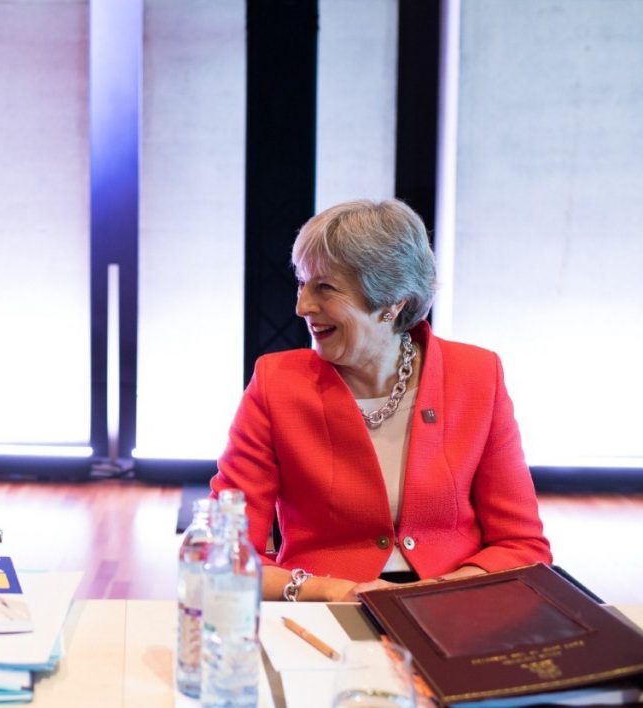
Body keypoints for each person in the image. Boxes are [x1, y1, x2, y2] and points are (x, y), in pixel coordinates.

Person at [210, 198, 551, 602]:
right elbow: (223, 552)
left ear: (393, 303)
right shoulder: (276, 383)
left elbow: (523, 546)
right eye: (302, 283)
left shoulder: (478, 376)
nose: (301, 306)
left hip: (455, 605)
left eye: (325, 288)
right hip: (326, 607)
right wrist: (328, 590)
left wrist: (429, 595)